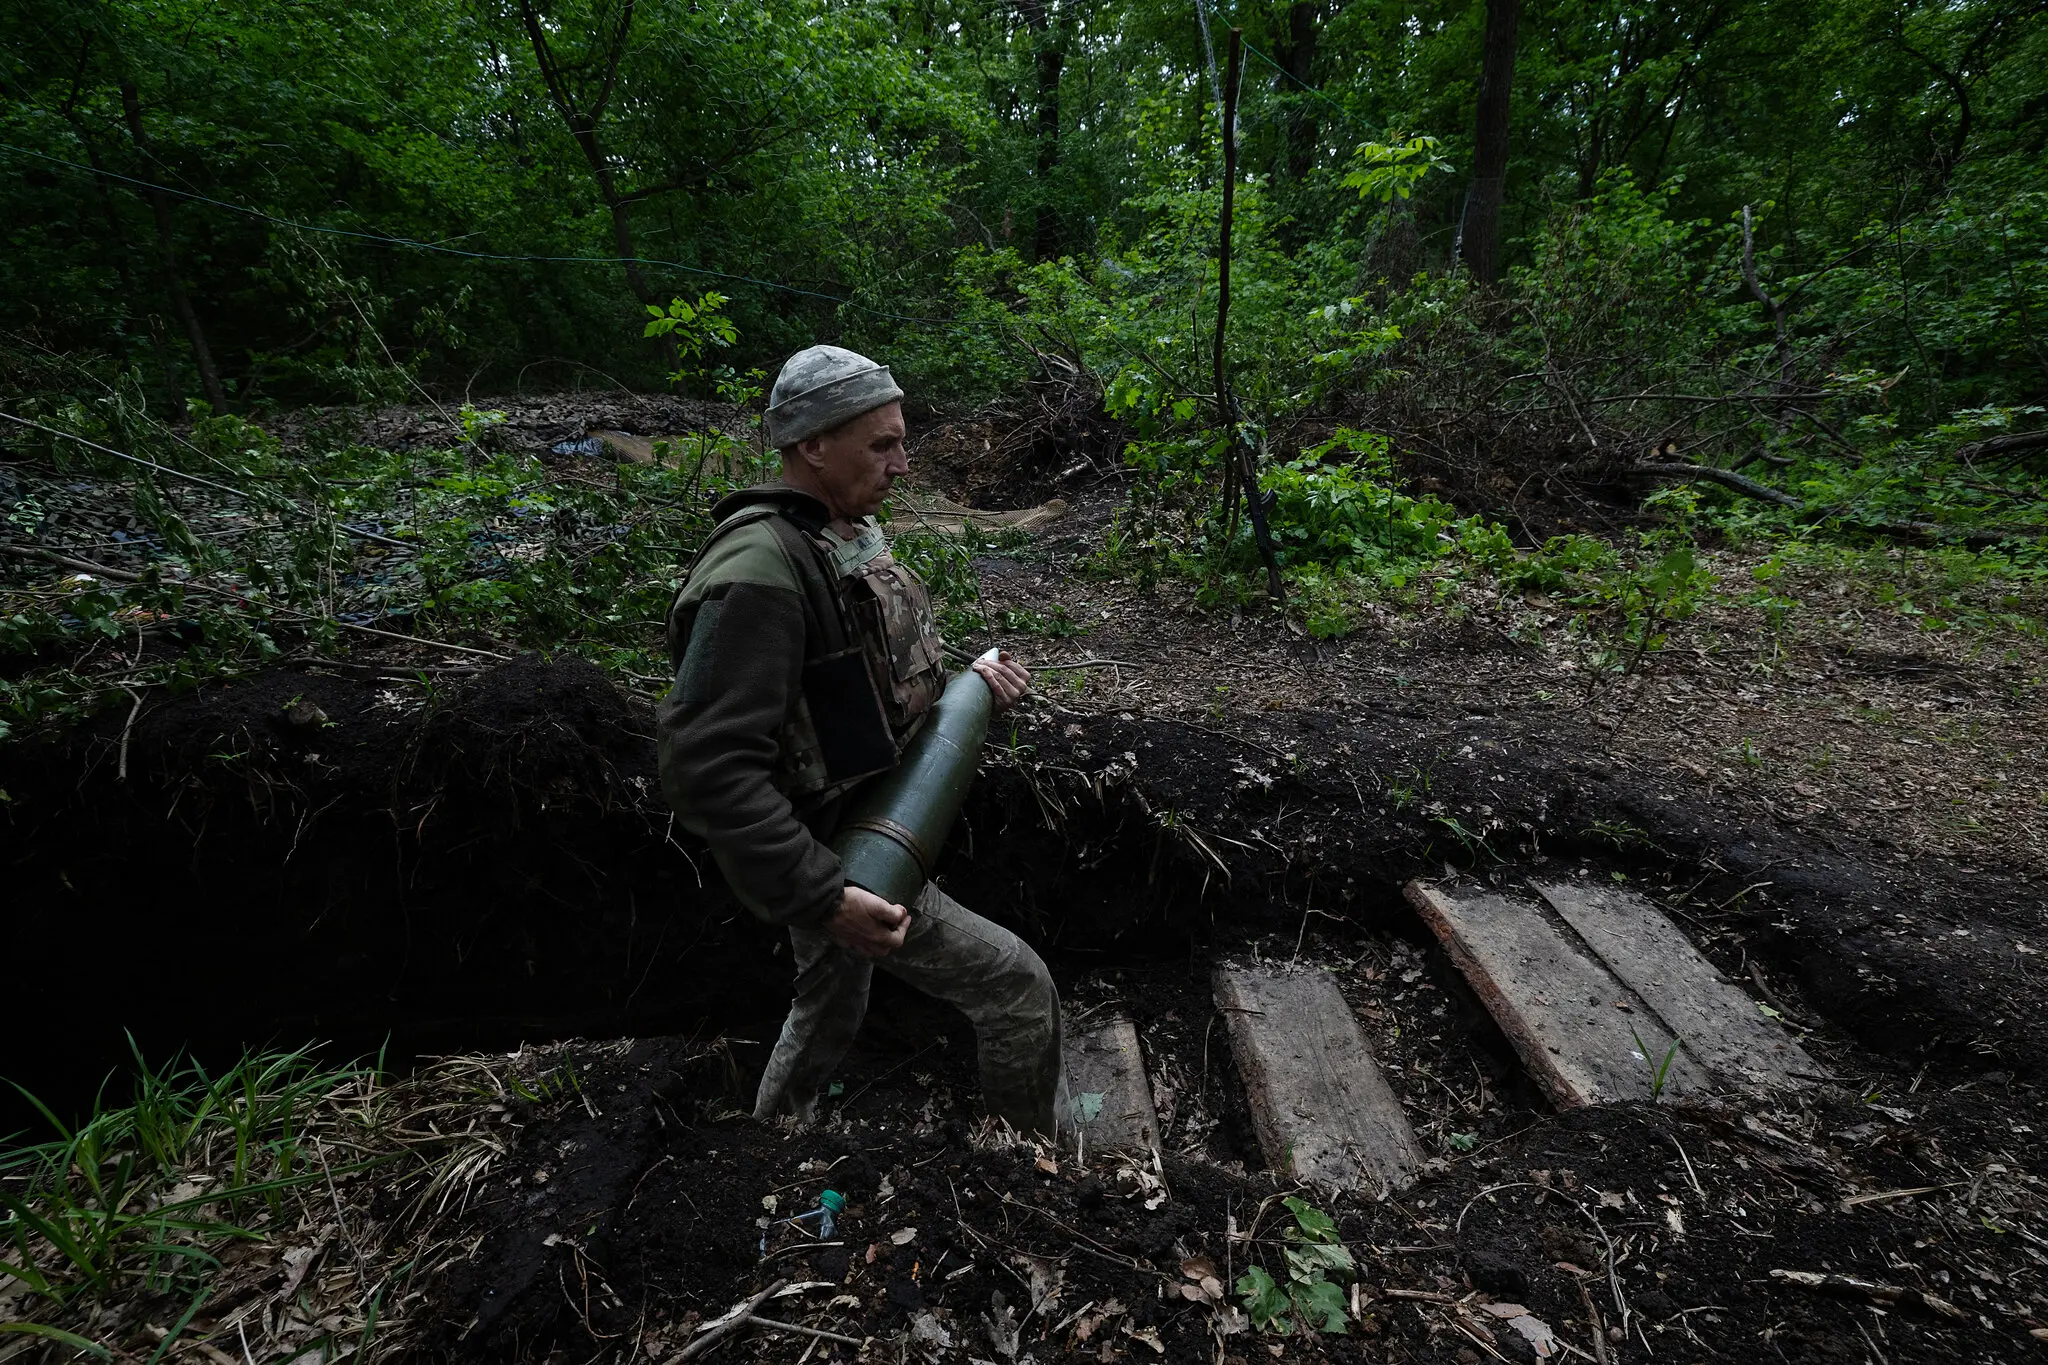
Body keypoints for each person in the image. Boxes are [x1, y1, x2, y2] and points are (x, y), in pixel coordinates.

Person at [656, 344, 1065, 1136]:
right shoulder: (758, 570)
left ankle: (771, 1141)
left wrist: (972, 683)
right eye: (883, 444)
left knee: (831, 1001)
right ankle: (1028, 1176)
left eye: (901, 440)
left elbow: (871, 682)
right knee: (1018, 986)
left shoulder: (832, 533)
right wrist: (823, 893)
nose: (903, 463)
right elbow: (705, 765)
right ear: (813, 445)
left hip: (866, 825)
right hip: (841, 855)